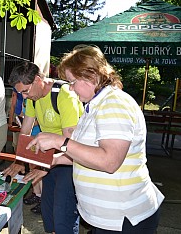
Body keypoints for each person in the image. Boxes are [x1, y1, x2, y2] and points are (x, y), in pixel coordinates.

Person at [27, 45, 165, 233]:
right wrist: (54, 161)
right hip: (108, 218)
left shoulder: (114, 103)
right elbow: (85, 152)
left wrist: (60, 142)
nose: (71, 88)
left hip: (124, 218)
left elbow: (109, 161)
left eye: (72, 82)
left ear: (91, 76)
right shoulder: (94, 105)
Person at [3, 61, 83, 234]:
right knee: (49, 212)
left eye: (25, 91)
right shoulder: (34, 97)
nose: (24, 97)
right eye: (20, 93)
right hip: (48, 159)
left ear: (38, 80)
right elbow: (25, 130)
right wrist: (20, 161)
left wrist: (47, 165)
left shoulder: (63, 95)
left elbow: (69, 142)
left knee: (64, 214)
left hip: (69, 160)